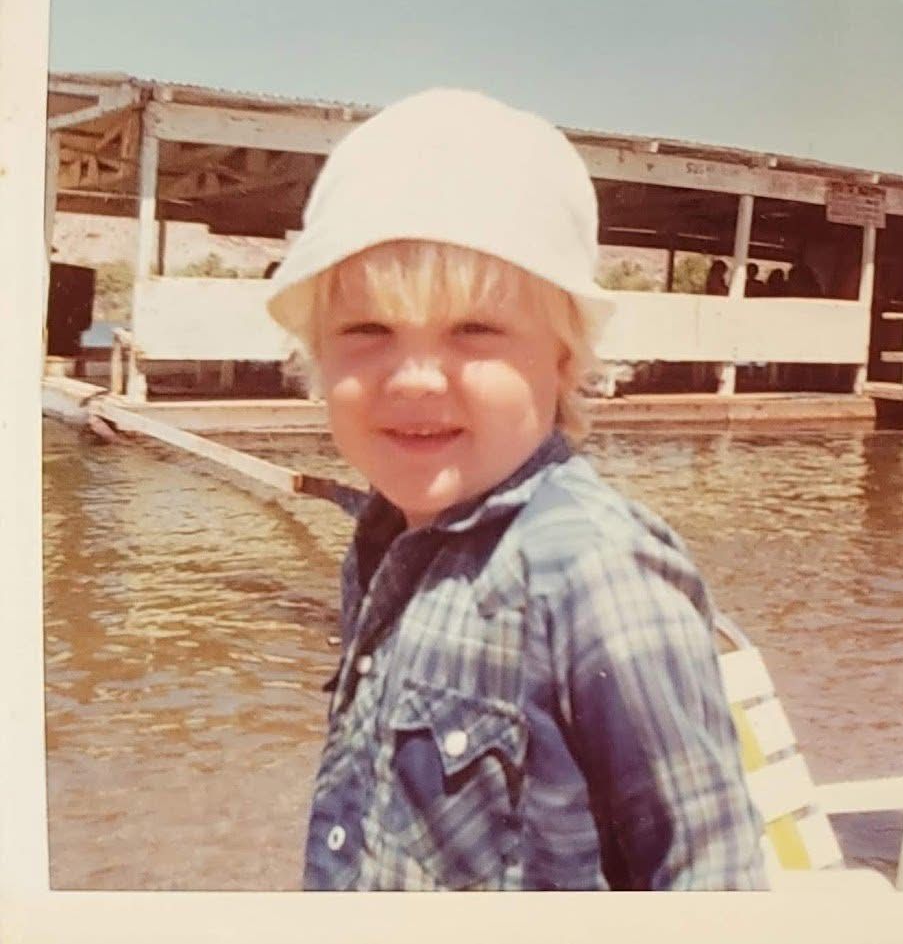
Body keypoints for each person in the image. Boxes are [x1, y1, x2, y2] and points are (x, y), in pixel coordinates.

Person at [265, 88, 767, 892]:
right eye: (368, 330)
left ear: (564, 358)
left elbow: (711, 879)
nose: (415, 377)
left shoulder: (595, 575)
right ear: (318, 354)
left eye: (473, 329)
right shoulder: (385, 539)